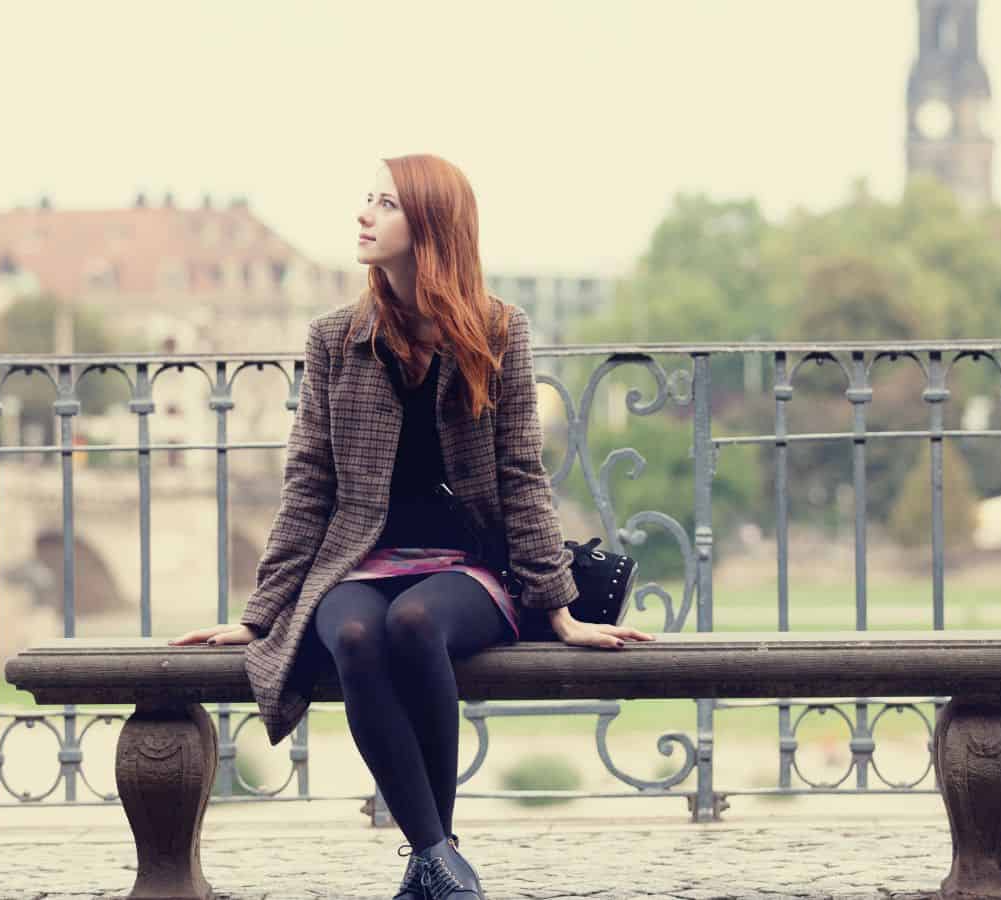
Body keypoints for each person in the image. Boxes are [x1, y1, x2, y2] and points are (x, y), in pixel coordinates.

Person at [170, 154, 652, 900]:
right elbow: (309, 485)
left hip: (469, 562)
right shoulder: (337, 337)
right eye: (367, 201)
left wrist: (556, 607)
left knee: (416, 624)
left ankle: (433, 860)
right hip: (357, 561)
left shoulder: (497, 330)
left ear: (430, 224)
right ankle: (437, 856)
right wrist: (259, 614)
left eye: (385, 204)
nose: (364, 216)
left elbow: (522, 472)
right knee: (359, 635)